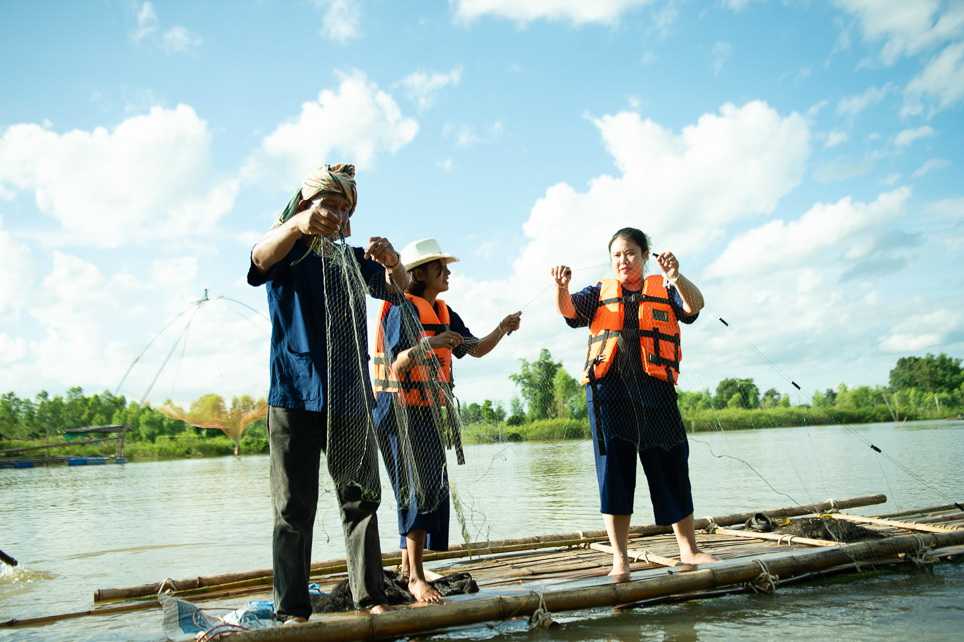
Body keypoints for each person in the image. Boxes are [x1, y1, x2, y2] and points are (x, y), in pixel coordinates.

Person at [248, 163, 409, 622]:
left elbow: (401, 293)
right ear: (306, 204)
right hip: (294, 395)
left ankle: (370, 596)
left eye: (344, 207)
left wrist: (393, 262)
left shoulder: (354, 262)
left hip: (351, 396)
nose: (336, 214)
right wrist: (296, 226)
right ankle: (293, 610)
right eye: (328, 205)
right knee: (293, 508)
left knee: (361, 502)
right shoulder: (287, 252)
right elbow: (258, 257)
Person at [551, 227, 717, 579]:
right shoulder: (597, 293)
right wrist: (561, 288)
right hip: (609, 393)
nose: (623, 260)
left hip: (654, 388)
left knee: (671, 463)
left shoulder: (666, 288)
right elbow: (568, 312)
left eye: (630, 253)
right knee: (615, 472)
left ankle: (689, 549)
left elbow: (695, 306)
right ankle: (620, 559)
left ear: (644, 256)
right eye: (616, 255)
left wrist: (676, 275)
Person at [372, 238, 521, 603]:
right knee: (415, 488)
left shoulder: (444, 312)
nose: (448, 273)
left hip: (425, 410)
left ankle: (409, 569)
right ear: (420, 273)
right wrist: (432, 343)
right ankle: (417, 579)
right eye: (441, 267)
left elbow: (475, 348)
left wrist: (501, 329)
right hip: (396, 411)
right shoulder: (399, 307)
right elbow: (397, 362)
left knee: (428, 486)